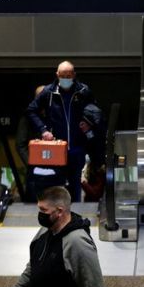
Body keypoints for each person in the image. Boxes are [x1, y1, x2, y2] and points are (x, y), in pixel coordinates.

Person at [3, 186, 108, 287]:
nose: (40, 214)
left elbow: (94, 286)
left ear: (59, 211)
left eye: (43, 210)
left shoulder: (76, 243)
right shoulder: (45, 231)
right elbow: (34, 267)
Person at [26, 61, 97, 202]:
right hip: (56, 147)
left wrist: (89, 124)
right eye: (63, 75)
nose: (66, 78)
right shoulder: (48, 91)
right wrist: (43, 130)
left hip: (77, 147)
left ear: (74, 75)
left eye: (69, 75)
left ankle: (75, 215)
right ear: (57, 75)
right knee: (56, 184)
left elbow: (95, 112)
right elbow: (31, 110)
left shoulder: (83, 91)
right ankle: (56, 214)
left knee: (76, 182)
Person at [16, 85, 65, 202]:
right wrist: (31, 163)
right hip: (35, 173)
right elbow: (20, 144)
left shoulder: (57, 116)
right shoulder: (27, 118)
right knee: (34, 204)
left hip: (55, 171)